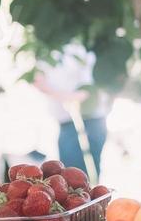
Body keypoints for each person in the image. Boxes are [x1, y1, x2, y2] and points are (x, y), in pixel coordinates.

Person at [32, 45, 110, 178]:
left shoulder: (82, 46)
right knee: (71, 177)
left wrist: (73, 97)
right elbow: (38, 81)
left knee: (88, 177)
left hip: (92, 120)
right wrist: (64, 97)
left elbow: (92, 86)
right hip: (67, 122)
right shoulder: (44, 50)